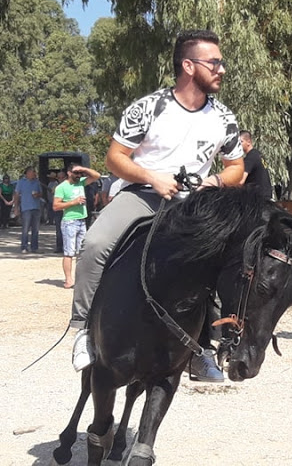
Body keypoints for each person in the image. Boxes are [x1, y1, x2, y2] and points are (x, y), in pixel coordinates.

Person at [69, 30, 244, 383]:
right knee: (96, 243)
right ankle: (83, 329)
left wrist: (216, 181)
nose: (222, 69)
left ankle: (205, 350)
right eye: (215, 62)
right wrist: (153, 177)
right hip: (142, 196)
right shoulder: (148, 108)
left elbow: (236, 168)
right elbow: (115, 158)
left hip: (194, 206)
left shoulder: (224, 116)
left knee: (233, 262)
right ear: (189, 65)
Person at [53, 163, 101, 289]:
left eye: (80, 173)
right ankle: (68, 279)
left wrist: (84, 169)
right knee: (69, 252)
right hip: (69, 222)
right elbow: (56, 206)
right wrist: (73, 202)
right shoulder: (61, 187)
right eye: (76, 173)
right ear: (69, 173)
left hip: (81, 221)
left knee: (83, 252)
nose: (78, 175)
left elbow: (97, 176)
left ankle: (82, 278)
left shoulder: (81, 182)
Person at [14, 166, 42, 253]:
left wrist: (37, 195)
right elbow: (17, 195)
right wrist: (16, 207)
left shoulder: (37, 182)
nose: (34, 174)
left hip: (36, 208)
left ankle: (34, 248)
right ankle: (24, 247)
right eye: (33, 172)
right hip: (26, 208)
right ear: (28, 173)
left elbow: (41, 193)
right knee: (25, 229)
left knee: (36, 229)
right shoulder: (21, 182)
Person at [238, 130, 273, 200]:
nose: (238, 145)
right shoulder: (259, 154)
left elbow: (241, 181)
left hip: (256, 198)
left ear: (248, 142)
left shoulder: (250, 157)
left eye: (240, 142)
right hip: (267, 195)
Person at [53, 170, 66, 253]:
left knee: (67, 229)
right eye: (59, 177)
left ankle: (67, 246)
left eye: (62, 177)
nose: (60, 179)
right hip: (58, 210)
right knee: (58, 229)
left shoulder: (69, 186)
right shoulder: (56, 187)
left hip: (67, 210)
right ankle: (59, 247)